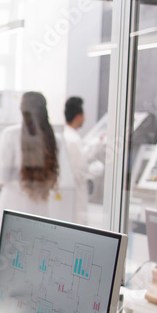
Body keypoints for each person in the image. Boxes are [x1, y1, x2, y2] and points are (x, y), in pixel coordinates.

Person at [0, 91, 75, 225]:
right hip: (40, 212)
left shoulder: (11, 135)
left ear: (22, 109)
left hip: (12, 210)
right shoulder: (54, 139)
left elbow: (2, 175)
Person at [62, 96, 104, 225]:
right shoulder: (73, 140)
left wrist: (96, 143)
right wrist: (97, 169)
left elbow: (80, 157)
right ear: (79, 116)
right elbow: (80, 171)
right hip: (75, 196)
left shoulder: (66, 135)